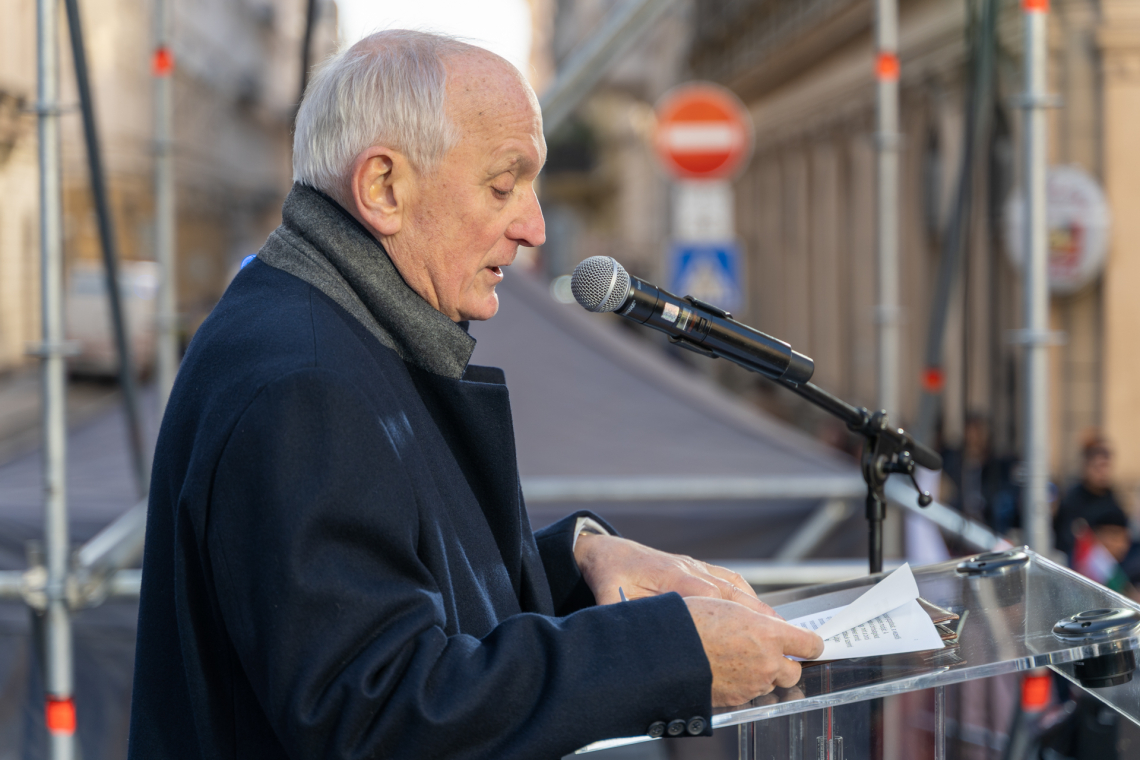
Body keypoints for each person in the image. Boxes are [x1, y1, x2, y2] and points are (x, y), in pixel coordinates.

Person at [127, 31, 823, 760]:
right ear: (384, 189)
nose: (532, 226)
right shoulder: (305, 380)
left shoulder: (335, 326)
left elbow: (409, 587)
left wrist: (581, 560)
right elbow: (377, 709)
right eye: (503, 184)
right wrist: (666, 653)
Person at [1054, 435, 1129, 559]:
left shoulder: (1112, 498)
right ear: (1087, 467)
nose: (1102, 473)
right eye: (1098, 467)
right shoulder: (1072, 499)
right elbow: (1066, 537)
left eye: (1106, 467)